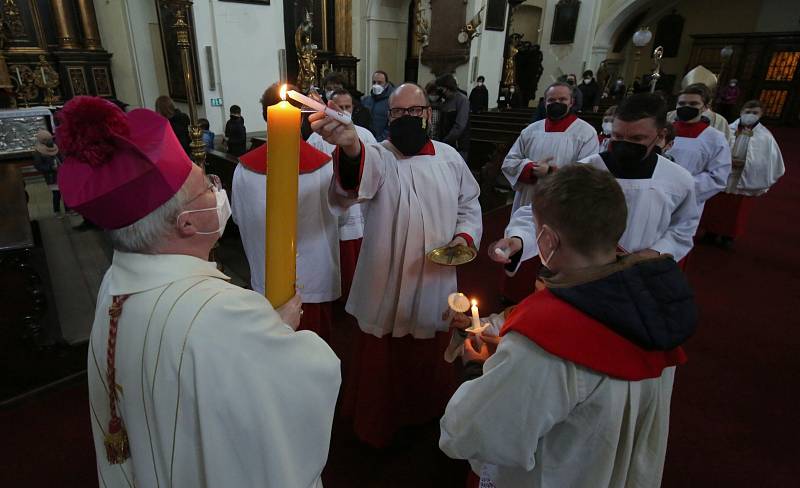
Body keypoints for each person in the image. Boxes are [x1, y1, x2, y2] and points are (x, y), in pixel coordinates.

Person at [55, 96, 340, 487]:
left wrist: (260, 334)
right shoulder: (223, 313)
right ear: (187, 224)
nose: (216, 191)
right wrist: (278, 334)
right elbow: (308, 384)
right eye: (207, 186)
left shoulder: (116, 282)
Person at [440, 164, 697, 488]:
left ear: (547, 239)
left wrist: (475, 369)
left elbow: (473, 433)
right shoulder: (655, 301)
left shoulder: (548, 336)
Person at [310, 82, 482, 447]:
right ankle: (378, 422)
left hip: (434, 274)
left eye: (413, 111)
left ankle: (427, 412)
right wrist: (351, 146)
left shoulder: (450, 158)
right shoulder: (380, 155)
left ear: (428, 115)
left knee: (429, 346)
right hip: (386, 274)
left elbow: (469, 205)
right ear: (388, 116)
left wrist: (464, 238)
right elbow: (354, 181)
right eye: (397, 112)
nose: (406, 118)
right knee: (381, 356)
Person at [494, 93, 699, 279]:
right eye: (617, 136)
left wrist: (656, 252)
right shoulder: (585, 170)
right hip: (582, 277)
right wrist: (519, 239)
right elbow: (543, 213)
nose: (624, 144)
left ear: (661, 135)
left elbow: (682, 229)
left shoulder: (678, 180)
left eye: (637, 138)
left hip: (642, 275)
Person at [232, 83, 349, 343]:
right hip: (315, 284)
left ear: (266, 116)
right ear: (302, 117)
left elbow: (238, 218)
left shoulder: (244, 170)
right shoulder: (324, 167)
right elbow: (342, 217)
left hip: (266, 284)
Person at [306, 88, 378, 298]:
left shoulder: (365, 135)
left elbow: (374, 173)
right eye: (340, 107)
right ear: (330, 108)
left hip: (362, 215)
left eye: (348, 107)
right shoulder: (316, 138)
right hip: (331, 215)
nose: (344, 112)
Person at [502, 81, 599, 213]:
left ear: (571, 102)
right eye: (551, 100)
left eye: (562, 99)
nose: (556, 103)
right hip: (528, 199)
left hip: (563, 203)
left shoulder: (586, 133)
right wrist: (531, 169)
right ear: (545, 103)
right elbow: (509, 162)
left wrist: (550, 172)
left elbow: (587, 175)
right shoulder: (531, 131)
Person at [701, 99, 785, 247]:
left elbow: (768, 161)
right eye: (747, 112)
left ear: (761, 115)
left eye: (755, 113)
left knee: (736, 211)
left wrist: (747, 164)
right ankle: (711, 233)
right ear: (741, 112)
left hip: (743, 177)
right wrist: (725, 160)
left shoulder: (766, 137)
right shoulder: (727, 129)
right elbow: (714, 148)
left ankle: (728, 237)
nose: (750, 115)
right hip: (724, 173)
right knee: (716, 206)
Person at [667, 83, 732, 216]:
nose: (686, 107)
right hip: (654, 194)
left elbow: (718, 176)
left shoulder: (715, 138)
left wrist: (683, 187)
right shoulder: (662, 131)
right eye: (682, 103)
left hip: (688, 200)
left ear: (705, 107)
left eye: (693, 104)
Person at [437, 73, 471, 161]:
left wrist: (445, 141)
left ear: (447, 88)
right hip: (445, 146)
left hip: (458, 147)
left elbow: (459, 126)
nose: (440, 93)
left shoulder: (462, 100)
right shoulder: (445, 102)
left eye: (441, 89)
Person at [32, 129, 65, 216]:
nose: (50, 141)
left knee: (65, 192)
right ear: (43, 141)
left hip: (61, 174)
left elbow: (61, 157)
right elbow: (38, 166)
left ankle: (68, 209)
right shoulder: (38, 153)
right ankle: (56, 211)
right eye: (48, 139)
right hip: (52, 176)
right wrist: (50, 167)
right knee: (56, 194)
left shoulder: (54, 146)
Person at [361, 70, 394, 141]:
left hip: (382, 142)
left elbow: (391, 126)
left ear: (386, 84)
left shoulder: (392, 101)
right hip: (366, 140)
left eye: (379, 83)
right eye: (374, 82)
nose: (376, 85)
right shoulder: (366, 100)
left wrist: (378, 140)